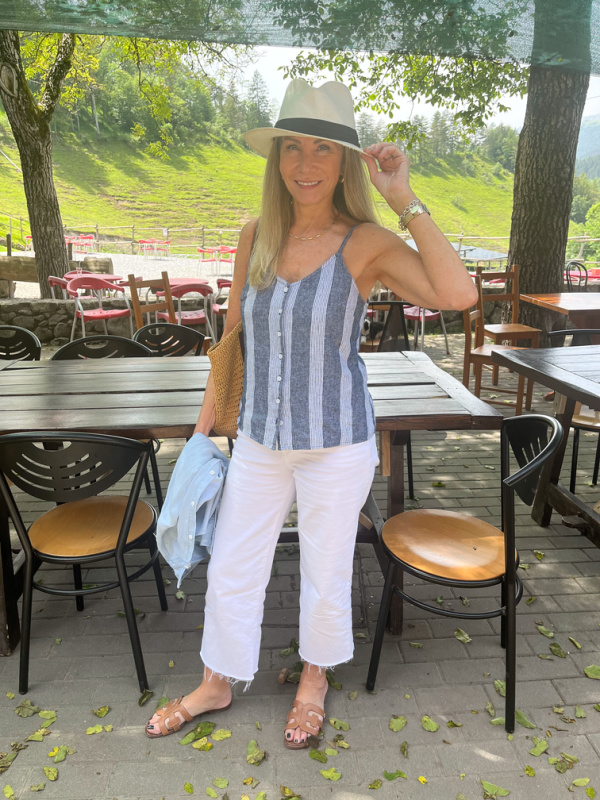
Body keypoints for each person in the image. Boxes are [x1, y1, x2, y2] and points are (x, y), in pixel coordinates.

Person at [146, 78, 477, 747]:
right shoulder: (254, 238)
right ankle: (217, 679)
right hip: (261, 442)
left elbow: (458, 293)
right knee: (236, 561)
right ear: (276, 160)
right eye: (292, 147)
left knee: (327, 568)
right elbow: (231, 339)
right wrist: (202, 433)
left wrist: (404, 198)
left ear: (345, 161)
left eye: (322, 149)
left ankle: (313, 682)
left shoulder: (366, 242)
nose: (304, 163)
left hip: (336, 440)